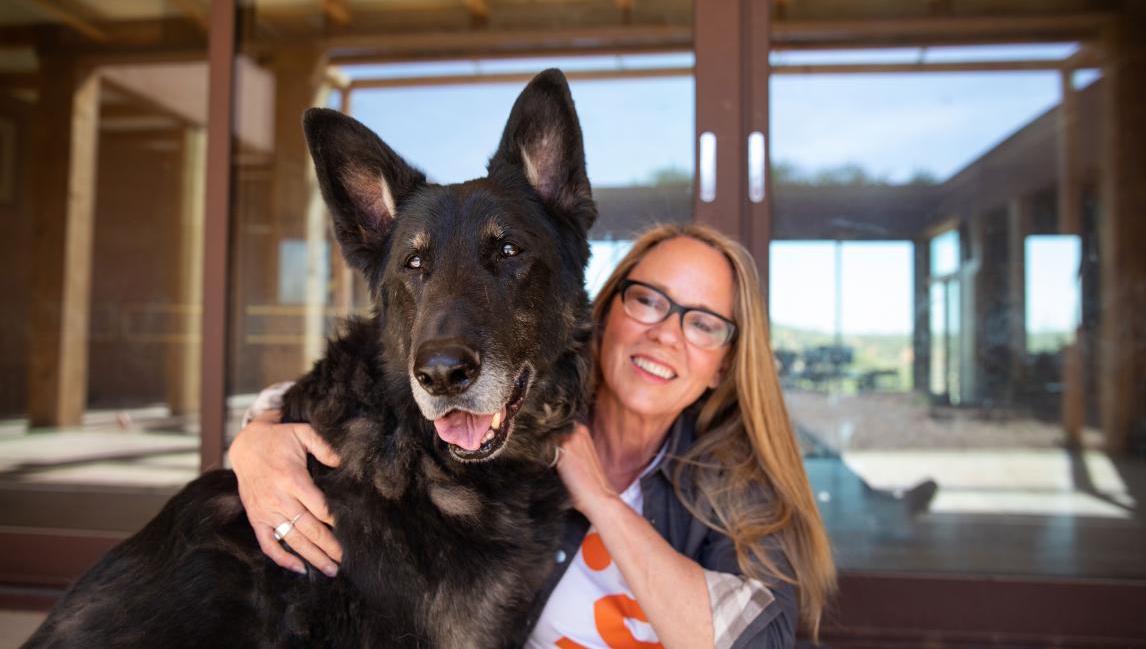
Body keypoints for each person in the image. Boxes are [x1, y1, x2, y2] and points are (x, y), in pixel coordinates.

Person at [229, 223, 837, 647]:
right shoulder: (512, 421)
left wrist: (601, 500)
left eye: (703, 324)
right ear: (606, 310)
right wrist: (260, 435)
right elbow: (380, 397)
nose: (666, 334)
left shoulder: (733, 485)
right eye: (649, 301)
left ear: (724, 366)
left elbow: (759, 642)